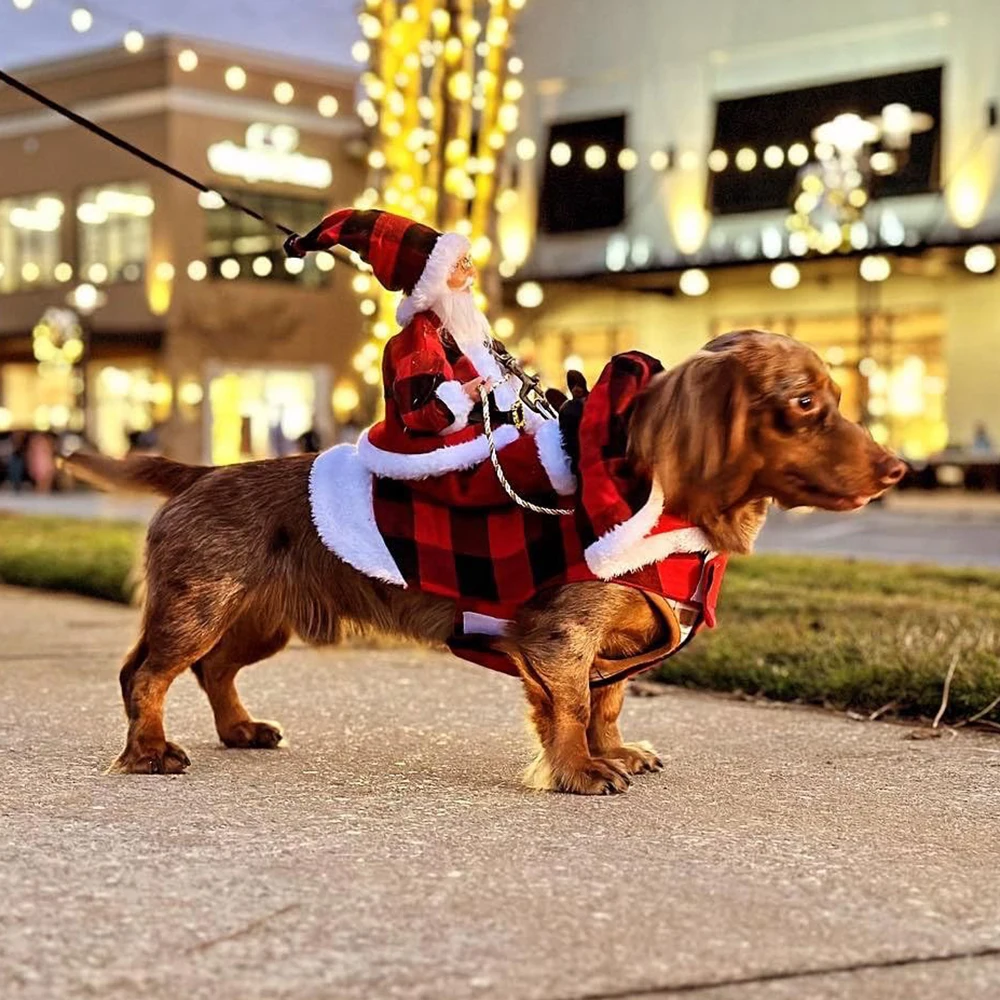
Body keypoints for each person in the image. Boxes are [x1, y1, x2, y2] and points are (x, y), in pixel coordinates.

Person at [285, 209, 574, 507]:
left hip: (494, 439)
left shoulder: (470, 333)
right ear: (435, 280)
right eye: (461, 266)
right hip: (453, 456)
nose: (472, 274)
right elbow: (419, 411)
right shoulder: (420, 339)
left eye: (468, 262)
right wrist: (463, 395)